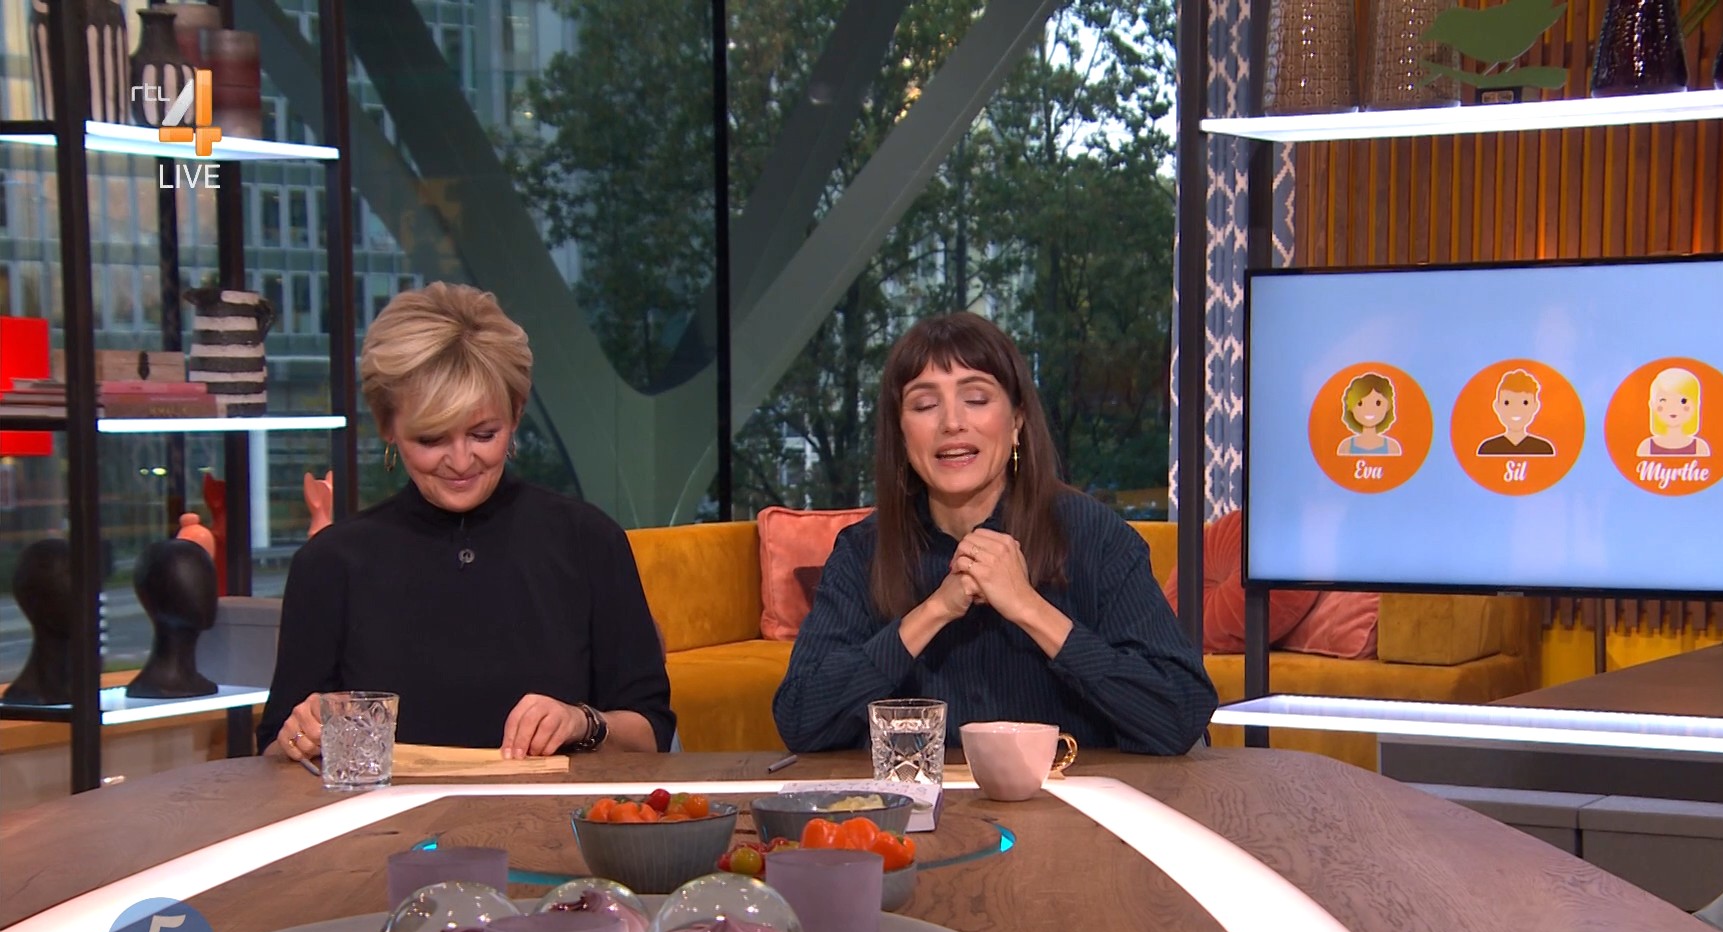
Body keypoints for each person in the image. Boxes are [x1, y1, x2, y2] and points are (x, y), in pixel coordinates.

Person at [260, 283, 673, 762]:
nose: (460, 462)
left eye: (483, 434)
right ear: (388, 427)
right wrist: (300, 735)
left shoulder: (588, 541)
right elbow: (271, 753)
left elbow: (652, 733)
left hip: (556, 810)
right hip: (385, 814)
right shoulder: (329, 564)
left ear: (516, 413)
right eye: (432, 439)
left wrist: (583, 722)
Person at [772, 312, 1217, 756]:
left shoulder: (1094, 535)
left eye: (976, 398)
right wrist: (934, 611)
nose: (952, 423)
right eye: (924, 405)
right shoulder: (863, 552)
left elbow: (1179, 713)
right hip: (921, 800)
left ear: (1017, 420)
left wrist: (1028, 607)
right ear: (902, 435)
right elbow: (801, 720)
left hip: (1071, 795)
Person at [1475, 369, 1556, 457]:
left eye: (1525, 403)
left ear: (1535, 406)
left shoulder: (1543, 449)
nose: (1516, 410)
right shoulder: (1488, 449)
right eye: (1507, 403)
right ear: (1497, 406)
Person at [1636, 367, 1711, 458]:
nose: (1673, 408)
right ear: (1652, 405)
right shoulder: (1646, 447)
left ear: (1696, 405)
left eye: (1683, 401)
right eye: (1663, 400)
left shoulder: (1700, 447)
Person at [1334, 372, 1403, 457]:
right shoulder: (1346, 446)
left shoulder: (1392, 447)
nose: (1369, 409)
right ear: (1351, 408)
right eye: (1360, 403)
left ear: (1388, 407)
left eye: (1378, 403)